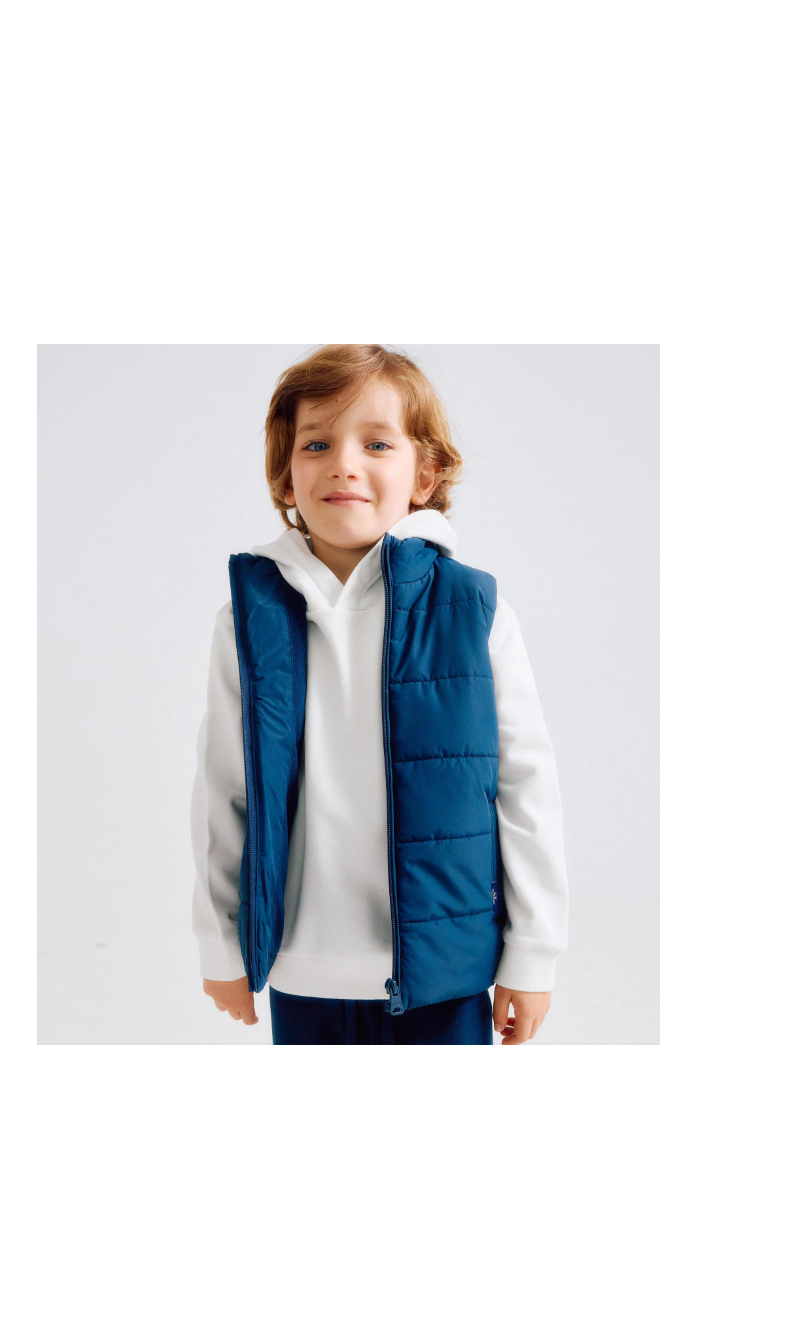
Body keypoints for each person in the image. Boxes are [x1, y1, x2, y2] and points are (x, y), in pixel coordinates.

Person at [189, 345, 569, 1045]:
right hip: (302, 963)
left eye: (377, 443)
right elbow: (225, 790)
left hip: (444, 966)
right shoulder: (248, 622)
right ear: (286, 476)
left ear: (425, 474)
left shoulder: (473, 612)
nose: (343, 463)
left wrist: (533, 953)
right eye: (317, 443)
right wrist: (221, 945)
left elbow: (525, 788)